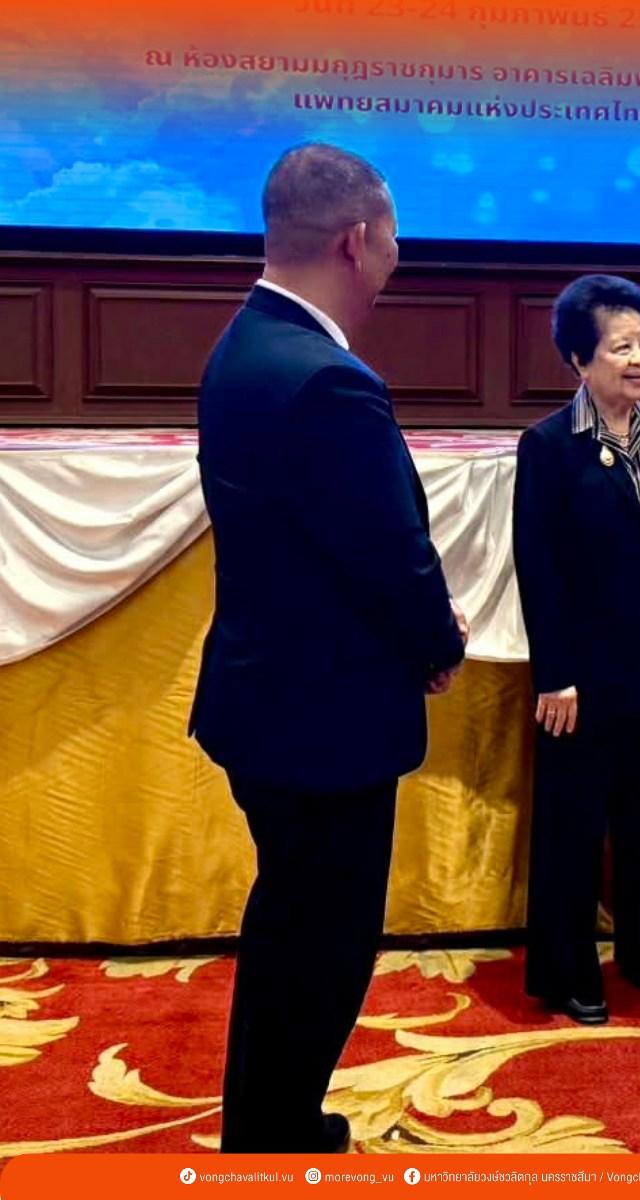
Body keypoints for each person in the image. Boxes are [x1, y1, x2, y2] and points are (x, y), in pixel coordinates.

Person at [188, 142, 468, 1151]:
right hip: (323, 721)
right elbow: (388, 552)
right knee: (320, 946)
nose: (398, 256)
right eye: (393, 236)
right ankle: (271, 1140)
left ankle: (271, 1124)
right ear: (356, 240)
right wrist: (437, 638)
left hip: (269, 701)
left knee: (289, 929)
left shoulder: (244, 344)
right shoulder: (327, 380)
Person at [512, 273, 640, 1025]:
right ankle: (569, 972)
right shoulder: (548, 446)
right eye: (621, 347)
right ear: (579, 358)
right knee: (573, 824)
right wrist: (556, 674)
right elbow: (538, 567)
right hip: (583, 677)